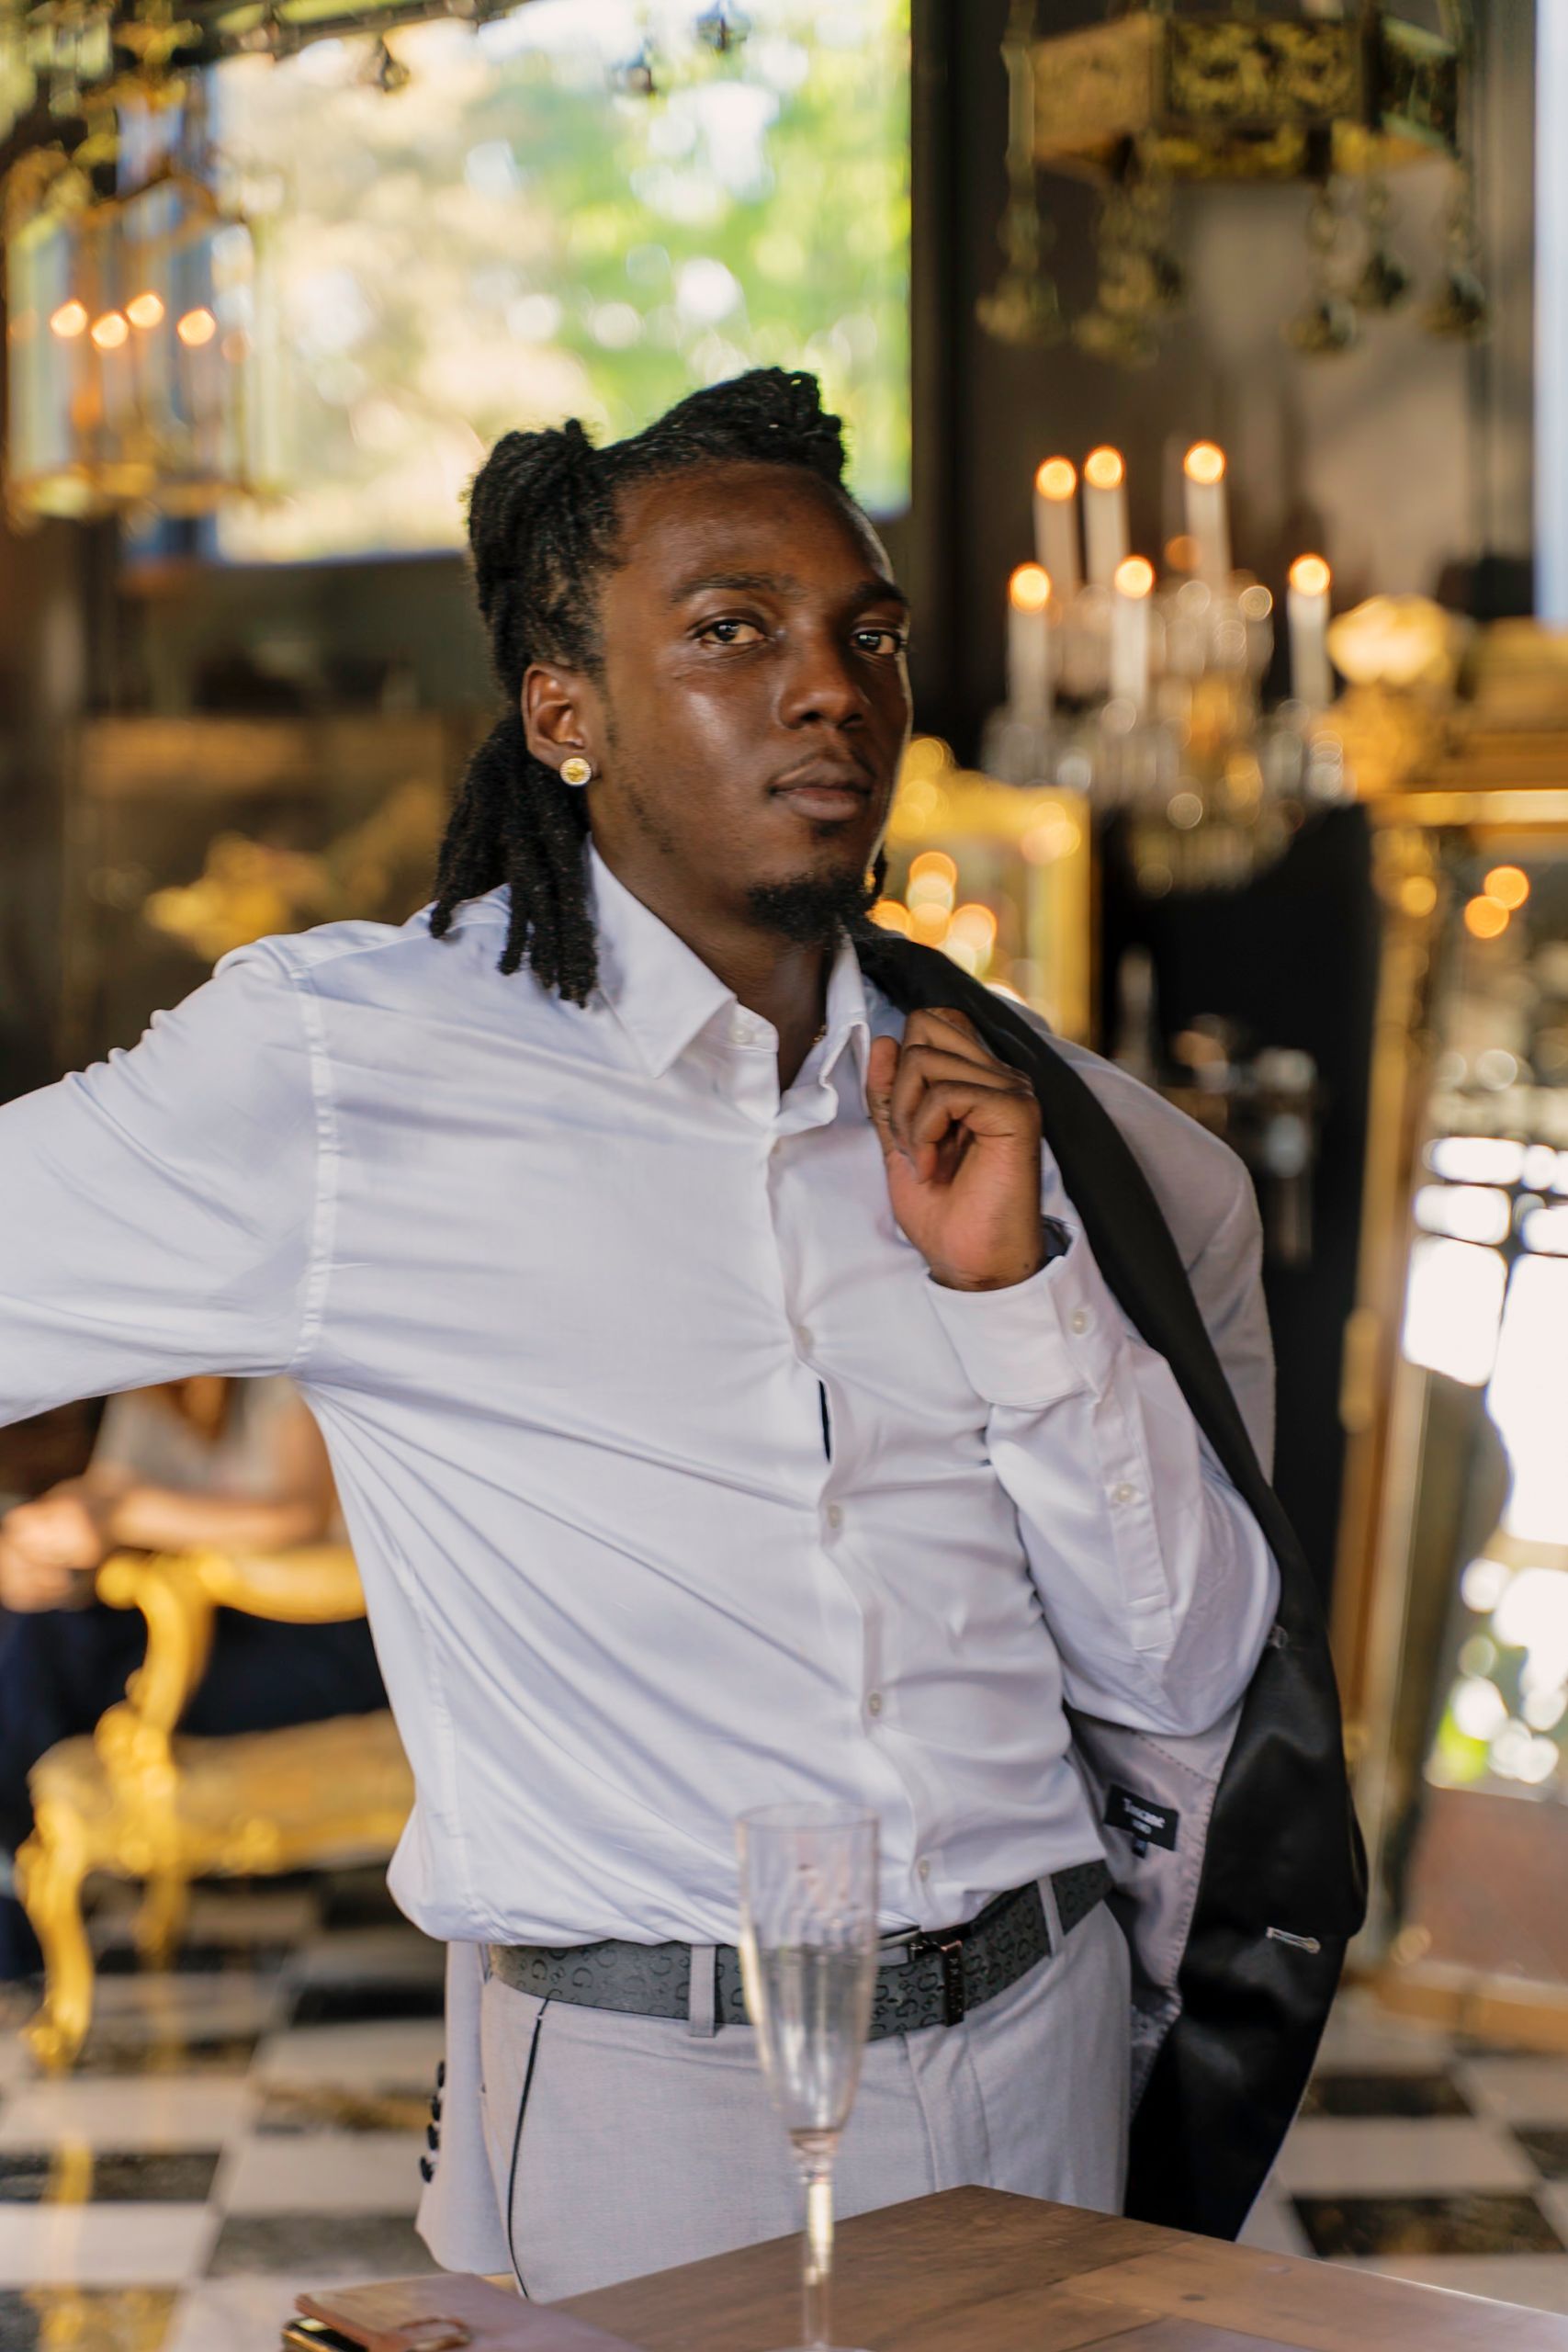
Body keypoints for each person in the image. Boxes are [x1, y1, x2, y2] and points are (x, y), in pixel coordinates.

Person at [0, 369, 1359, 2298]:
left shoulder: (1058, 1131)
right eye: (731, 630)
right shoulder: (350, 1066)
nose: (832, 685)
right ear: (561, 708)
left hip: (1044, 2048)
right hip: (648, 2090)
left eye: (864, 633)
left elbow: (1193, 1667)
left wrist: (1013, 1292)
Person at [0, 1374, 386, 1979]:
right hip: (210, 1627)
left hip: (331, 1635)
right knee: (35, 1622)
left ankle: (13, 1876)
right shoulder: (153, 1389)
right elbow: (104, 1517)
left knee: (48, 1660)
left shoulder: (283, 1376)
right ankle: (12, 1868)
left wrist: (121, 1511)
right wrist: (41, 1555)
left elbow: (300, 1514)